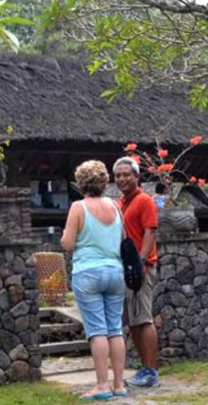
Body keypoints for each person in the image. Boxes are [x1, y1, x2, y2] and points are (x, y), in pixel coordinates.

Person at [62, 161, 127, 400]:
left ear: (80, 184)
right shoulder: (116, 206)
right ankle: (119, 383)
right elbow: (122, 237)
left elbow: (67, 244)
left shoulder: (78, 207)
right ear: (104, 182)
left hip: (88, 271)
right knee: (115, 329)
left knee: (97, 330)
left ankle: (102, 385)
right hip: (115, 271)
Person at [112, 157, 161, 388]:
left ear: (136, 176)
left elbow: (150, 232)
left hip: (141, 266)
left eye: (126, 174)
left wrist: (141, 262)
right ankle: (144, 369)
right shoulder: (122, 202)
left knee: (143, 318)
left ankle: (151, 371)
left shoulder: (144, 201)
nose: (122, 179)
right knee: (133, 321)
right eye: (118, 175)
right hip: (128, 267)